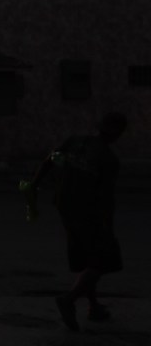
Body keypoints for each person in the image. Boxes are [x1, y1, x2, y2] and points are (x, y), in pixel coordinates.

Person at [25, 111, 127, 331]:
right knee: (104, 261)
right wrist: (108, 227)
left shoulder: (75, 141)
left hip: (65, 207)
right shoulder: (108, 160)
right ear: (118, 134)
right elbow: (106, 200)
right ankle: (69, 299)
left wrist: (34, 184)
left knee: (87, 259)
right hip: (87, 213)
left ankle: (93, 306)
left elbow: (49, 160)